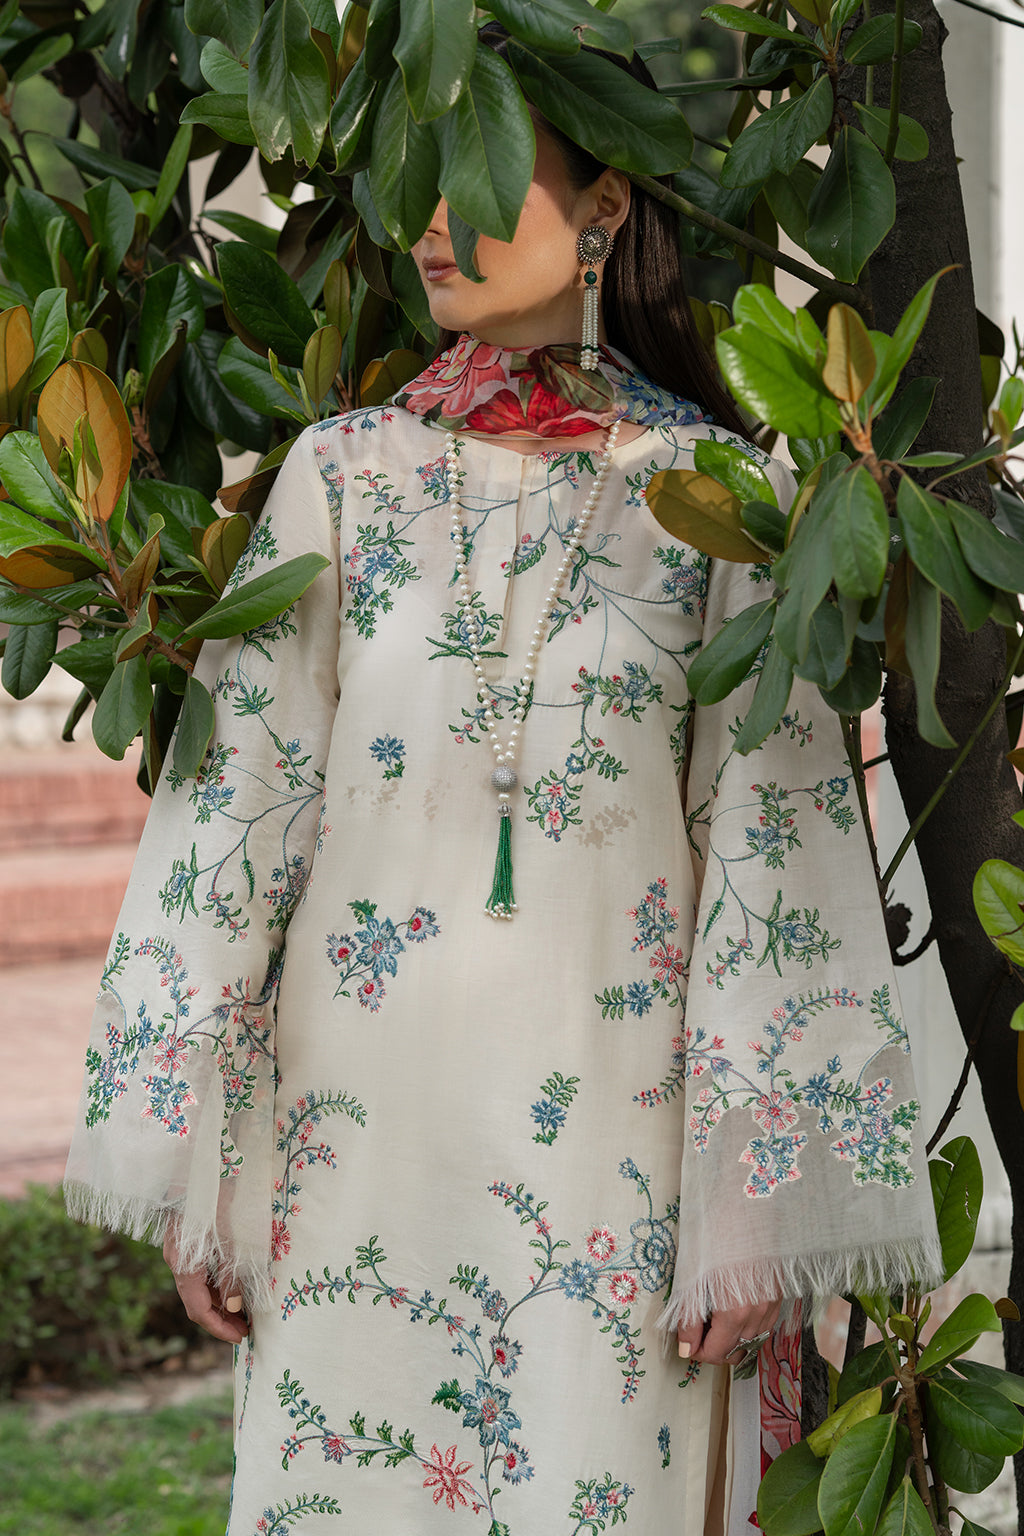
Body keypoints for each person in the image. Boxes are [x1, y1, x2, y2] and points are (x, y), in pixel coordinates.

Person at [65, 33, 940, 1535]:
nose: (427, 222)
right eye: (413, 177)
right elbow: (232, 825)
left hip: (617, 1170)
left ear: (604, 207)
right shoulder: (339, 481)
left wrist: (749, 1209)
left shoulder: (721, 503)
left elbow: (777, 850)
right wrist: (195, 1148)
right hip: (352, 1155)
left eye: (476, 178)